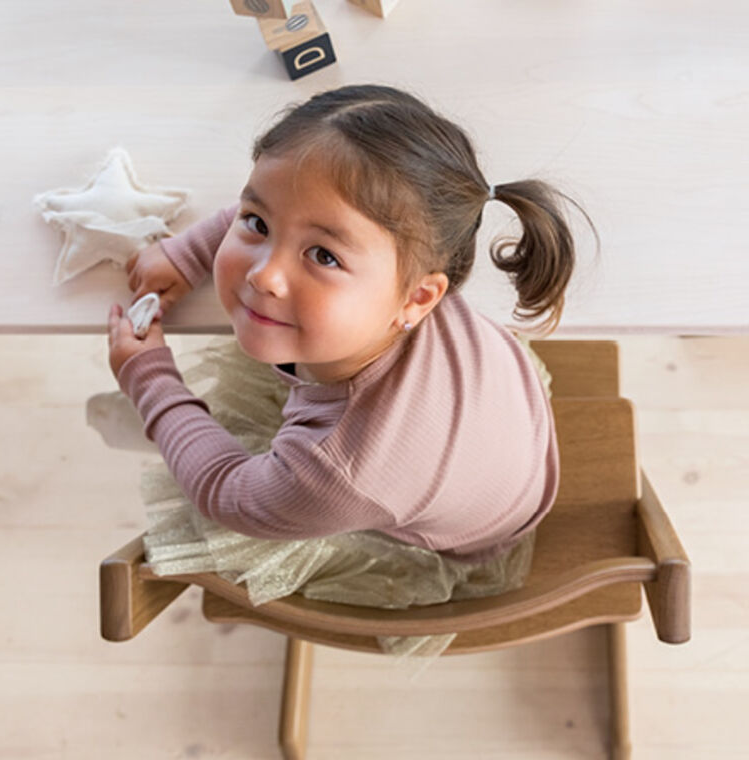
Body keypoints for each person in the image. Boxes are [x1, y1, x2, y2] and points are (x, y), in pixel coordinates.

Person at [105, 83, 596, 668]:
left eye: (324, 257)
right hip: (503, 410)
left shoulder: (334, 470)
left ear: (419, 297)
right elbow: (292, 201)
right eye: (256, 225)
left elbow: (226, 493)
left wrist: (150, 378)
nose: (264, 277)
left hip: (472, 532)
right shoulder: (405, 278)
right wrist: (189, 252)